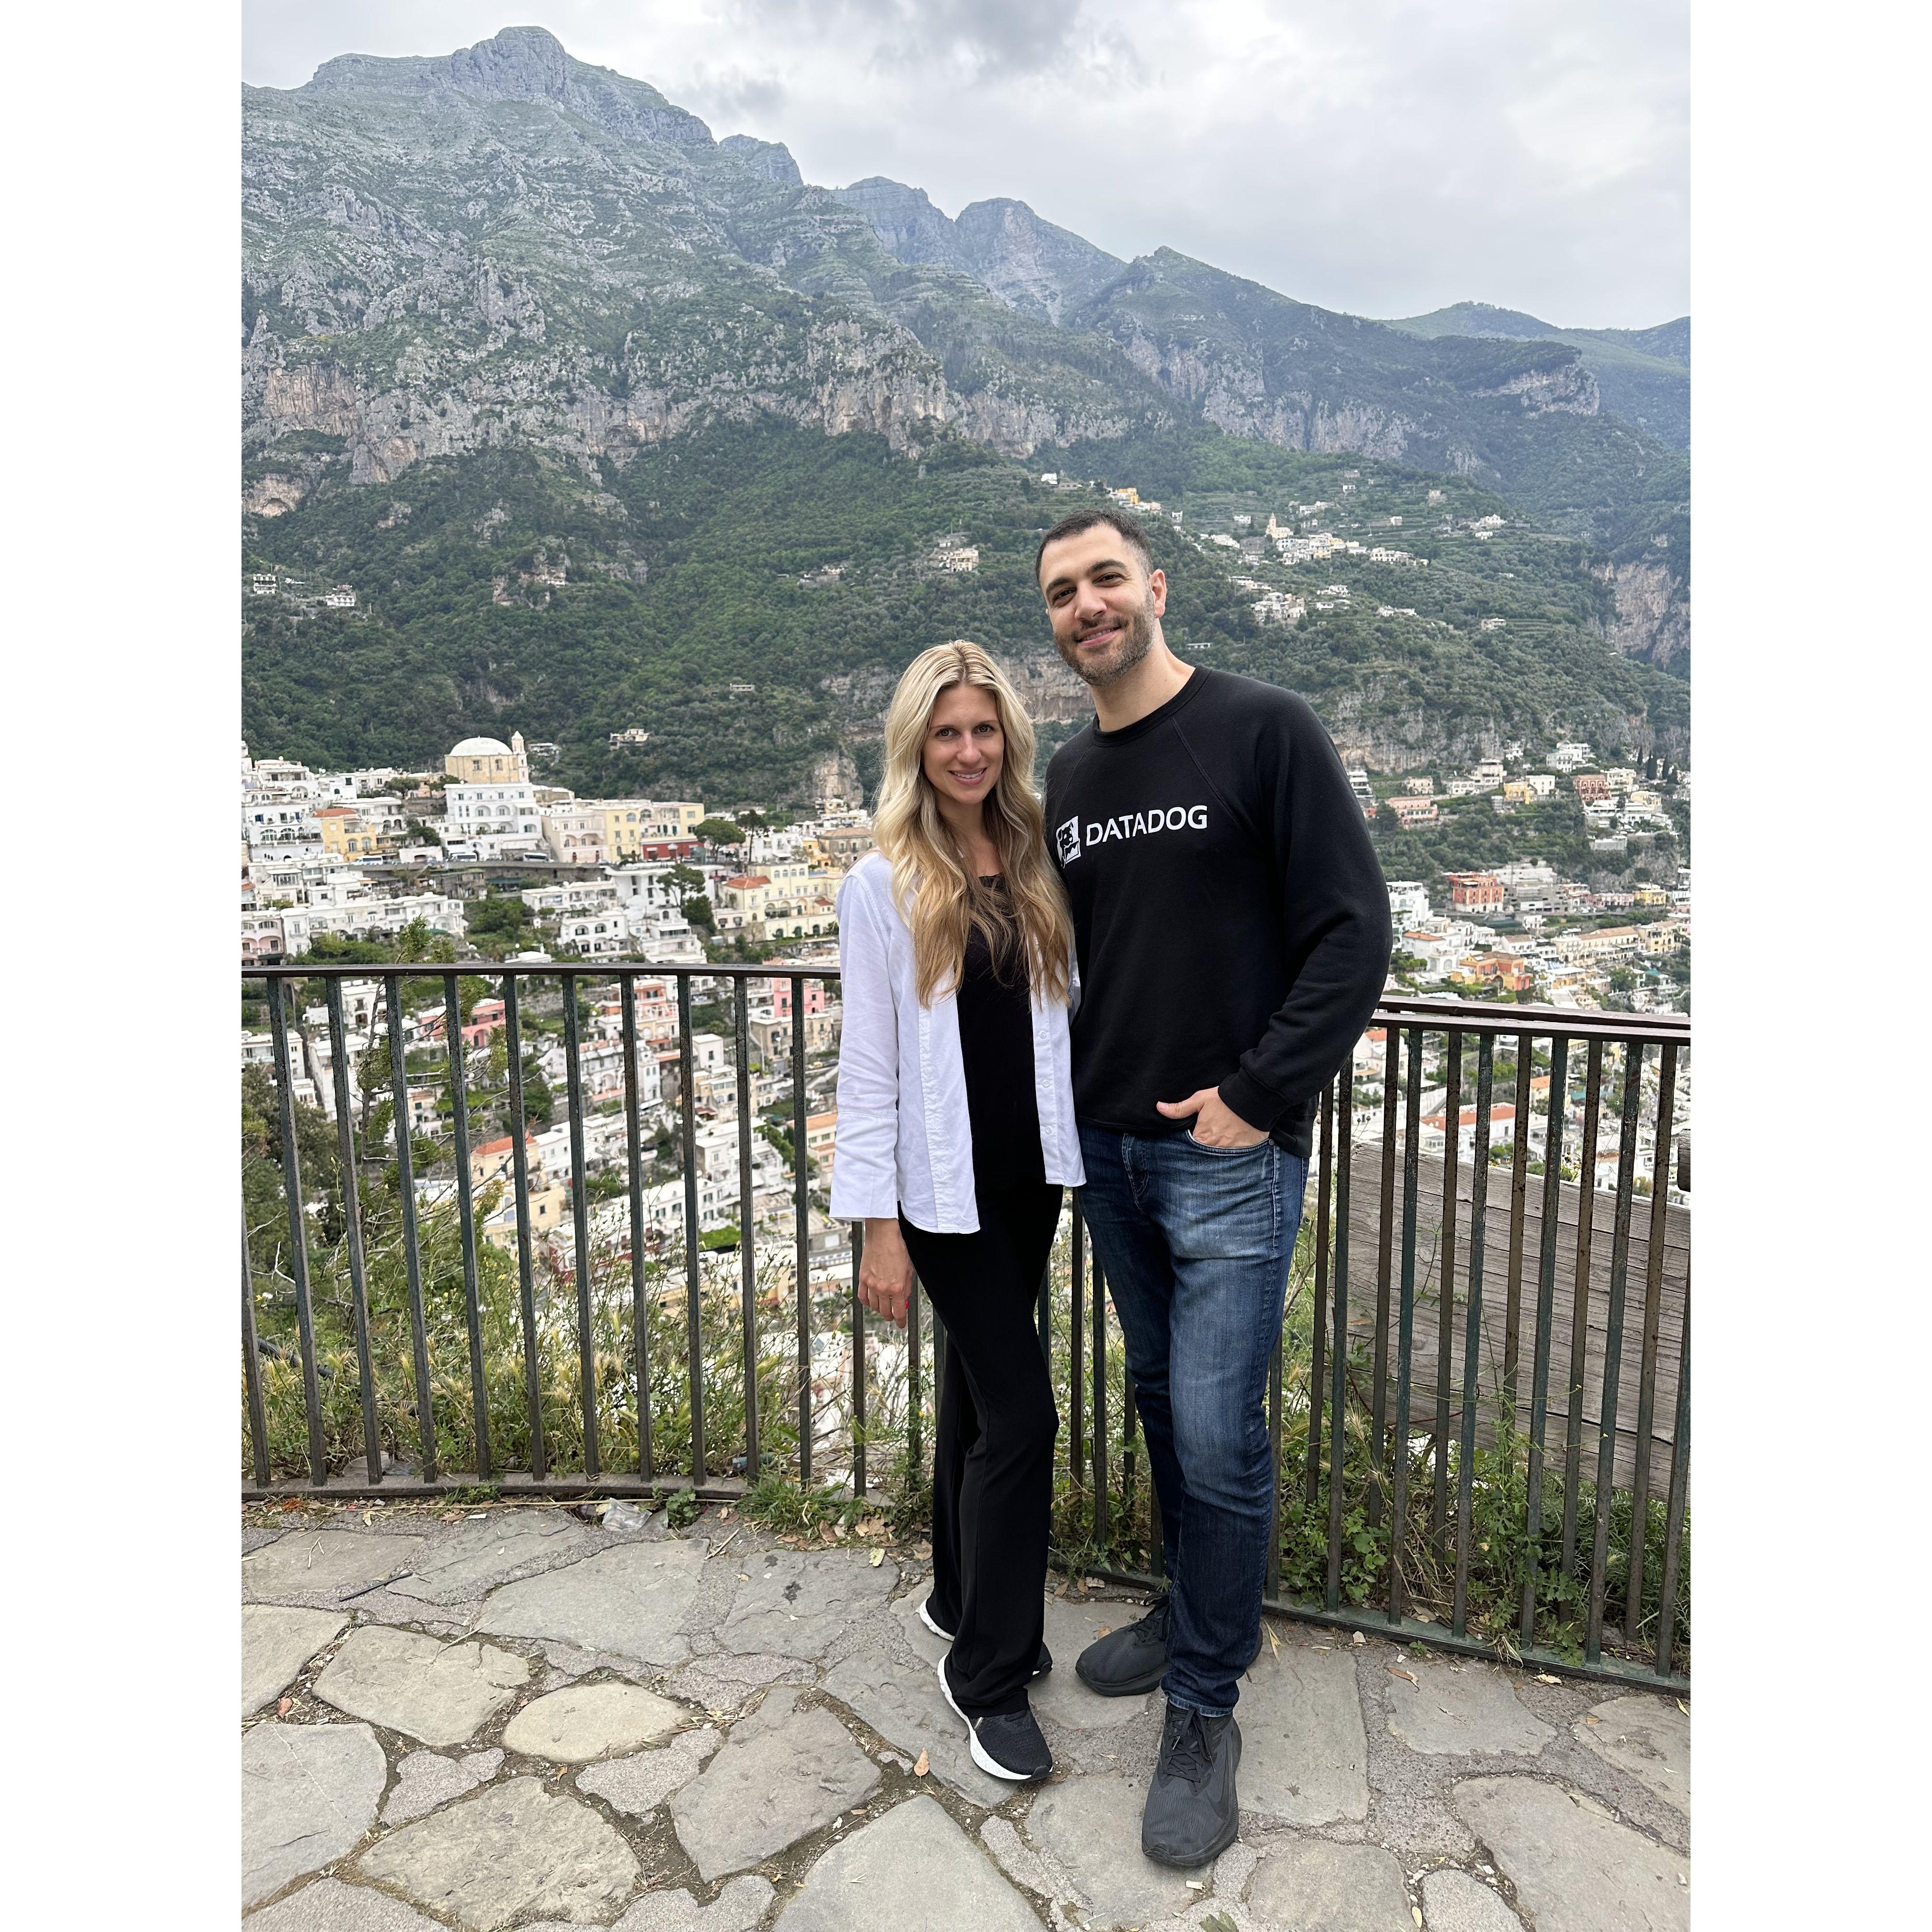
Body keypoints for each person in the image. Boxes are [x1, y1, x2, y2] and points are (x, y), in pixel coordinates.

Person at [1037, 508, 1392, 1866]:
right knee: (1152, 1399)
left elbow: (1354, 933)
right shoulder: (1068, 774)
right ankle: (1199, 1610)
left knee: (1213, 1426)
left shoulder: (1264, 728)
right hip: (1113, 1154)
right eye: (1064, 593)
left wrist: (1257, 1096)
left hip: (1228, 1154)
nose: (1087, 606)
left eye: (1106, 578)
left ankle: (1204, 1704)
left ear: (1155, 586)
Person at [829, 639, 1084, 1783]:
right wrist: (877, 1225)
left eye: (985, 730)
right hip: (943, 1196)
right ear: (915, 745)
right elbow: (870, 1062)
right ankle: (988, 1669)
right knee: (1026, 1419)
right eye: (948, 732)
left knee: (980, 1400)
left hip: (1030, 1184)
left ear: (1008, 741)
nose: (969, 750)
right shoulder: (883, 878)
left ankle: (951, 1593)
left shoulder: (1030, 858)